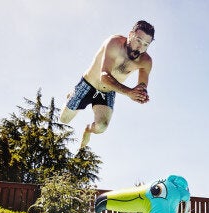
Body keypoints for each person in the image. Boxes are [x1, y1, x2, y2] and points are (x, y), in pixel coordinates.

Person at [60, 20, 155, 148]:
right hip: (89, 84)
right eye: (138, 40)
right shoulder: (114, 43)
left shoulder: (146, 61)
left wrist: (141, 94)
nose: (140, 48)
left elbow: (142, 85)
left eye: (145, 44)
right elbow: (104, 76)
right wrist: (129, 92)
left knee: (101, 127)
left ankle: (88, 129)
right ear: (130, 34)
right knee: (64, 119)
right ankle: (72, 94)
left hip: (108, 91)